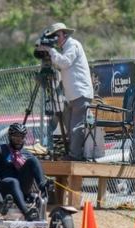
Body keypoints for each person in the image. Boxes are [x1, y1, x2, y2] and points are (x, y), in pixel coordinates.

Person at [37, 22, 94, 161]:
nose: (55, 38)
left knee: (76, 127)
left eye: (56, 35)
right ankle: (73, 154)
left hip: (80, 93)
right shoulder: (64, 49)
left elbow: (64, 62)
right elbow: (61, 65)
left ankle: (75, 156)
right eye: (52, 36)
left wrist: (50, 50)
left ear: (64, 33)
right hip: (73, 95)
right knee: (70, 126)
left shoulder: (73, 45)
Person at [0, 123, 52, 221]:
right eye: (16, 137)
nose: (19, 140)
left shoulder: (27, 154)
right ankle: (26, 212)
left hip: (22, 187)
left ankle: (43, 187)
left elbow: (33, 170)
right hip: (4, 186)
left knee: (33, 160)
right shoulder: (0, 150)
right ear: (10, 137)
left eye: (21, 137)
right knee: (13, 181)